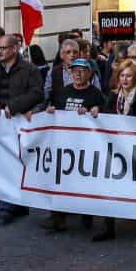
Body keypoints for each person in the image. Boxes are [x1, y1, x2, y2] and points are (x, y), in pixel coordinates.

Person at [0, 35, 45, 225]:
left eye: (4, 48)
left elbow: (37, 93)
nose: (0, 51)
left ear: (14, 49)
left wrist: (14, 106)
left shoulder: (29, 69)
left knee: (13, 162)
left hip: (17, 122)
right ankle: (10, 200)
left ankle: (8, 206)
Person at [90, 59, 136, 242]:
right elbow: (106, 115)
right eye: (122, 75)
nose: (125, 79)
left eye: (129, 76)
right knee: (109, 184)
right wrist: (97, 111)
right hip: (116, 147)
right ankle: (108, 226)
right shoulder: (114, 96)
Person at [40, 58, 106, 234]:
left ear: (89, 73)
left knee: (85, 181)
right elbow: (57, 110)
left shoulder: (95, 94)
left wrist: (93, 111)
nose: (78, 74)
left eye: (82, 70)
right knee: (61, 181)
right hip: (65, 146)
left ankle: (87, 214)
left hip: (86, 146)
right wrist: (51, 112)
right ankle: (58, 218)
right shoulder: (65, 91)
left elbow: (104, 115)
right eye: (75, 70)